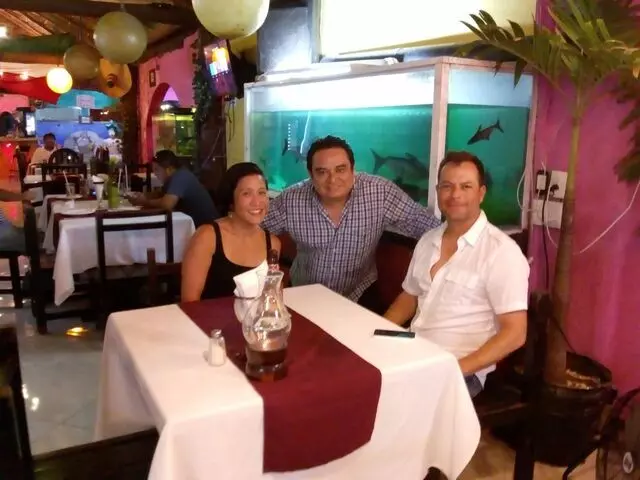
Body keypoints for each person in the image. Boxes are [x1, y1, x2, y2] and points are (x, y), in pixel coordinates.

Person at [383, 151, 529, 397]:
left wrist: (454, 369)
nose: (455, 195)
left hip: (462, 371)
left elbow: (515, 334)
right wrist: (377, 334)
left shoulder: (501, 252)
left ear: (481, 193)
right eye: (447, 186)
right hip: (412, 355)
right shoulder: (427, 240)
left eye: (466, 186)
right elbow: (409, 297)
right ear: (438, 191)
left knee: (392, 406)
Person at [262, 135, 441, 314]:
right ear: (310, 174)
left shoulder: (380, 193)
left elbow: (425, 224)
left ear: (353, 169)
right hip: (304, 291)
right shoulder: (291, 200)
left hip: (360, 293)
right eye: (322, 172)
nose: (332, 179)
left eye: (340, 169)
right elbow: (255, 229)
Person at [181, 163, 281, 301]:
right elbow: (189, 302)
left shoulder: (273, 243)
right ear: (231, 199)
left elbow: (272, 296)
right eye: (246, 193)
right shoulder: (207, 237)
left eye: (262, 192)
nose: (257, 202)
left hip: (256, 315)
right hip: (210, 315)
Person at [127, 150, 219, 228]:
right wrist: (142, 195)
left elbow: (167, 204)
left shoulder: (181, 176)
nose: (154, 173)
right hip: (194, 226)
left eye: (157, 169)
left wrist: (144, 202)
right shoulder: (174, 177)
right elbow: (160, 194)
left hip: (207, 229)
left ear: (169, 169)